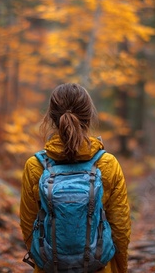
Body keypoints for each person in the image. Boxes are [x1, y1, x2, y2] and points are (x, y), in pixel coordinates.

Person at [20, 83, 131, 272]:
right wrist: (120, 267)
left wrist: (46, 261)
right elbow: (120, 227)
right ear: (88, 117)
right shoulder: (108, 164)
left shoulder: (35, 166)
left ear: (51, 118)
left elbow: (28, 226)